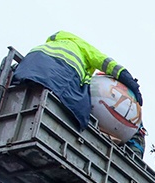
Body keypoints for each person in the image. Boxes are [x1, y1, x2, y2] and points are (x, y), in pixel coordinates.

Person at [12, 31, 143, 131]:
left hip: (28, 68)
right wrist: (131, 83)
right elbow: (110, 65)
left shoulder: (51, 43)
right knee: (80, 113)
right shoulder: (84, 47)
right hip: (60, 74)